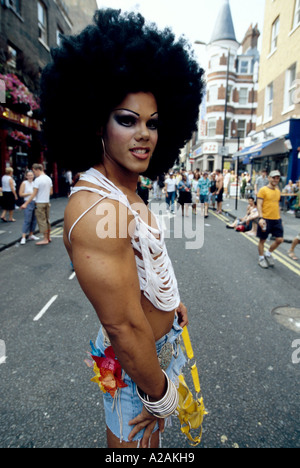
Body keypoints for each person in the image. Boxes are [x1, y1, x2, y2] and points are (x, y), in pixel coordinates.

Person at [40, 9, 204, 449]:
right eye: (127, 120)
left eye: (152, 122)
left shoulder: (125, 187)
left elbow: (146, 260)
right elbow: (125, 332)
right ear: (97, 123)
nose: (144, 134)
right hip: (136, 368)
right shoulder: (94, 209)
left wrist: (170, 301)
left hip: (149, 353)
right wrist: (161, 397)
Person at [256, 170, 284, 269]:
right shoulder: (263, 190)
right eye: (273, 177)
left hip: (276, 219)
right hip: (265, 219)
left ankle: (268, 254)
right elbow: (259, 204)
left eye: (277, 178)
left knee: (280, 239)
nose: (275, 180)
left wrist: (280, 219)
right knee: (262, 240)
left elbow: (277, 205)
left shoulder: (278, 190)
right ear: (269, 178)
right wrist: (260, 218)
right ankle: (261, 258)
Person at [21, 164, 53, 245]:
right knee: (47, 220)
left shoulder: (38, 180)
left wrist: (25, 203)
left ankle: (45, 239)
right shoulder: (48, 179)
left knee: (41, 221)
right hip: (47, 202)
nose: (34, 174)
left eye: (34, 171)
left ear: (38, 169)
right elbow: (51, 192)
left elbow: (33, 194)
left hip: (40, 203)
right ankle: (49, 237)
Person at [19, 170, 39, 244]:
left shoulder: (35, 183)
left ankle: (31, 234)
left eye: (31, 175)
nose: (30, 176)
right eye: (29, 175)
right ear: (26, 176)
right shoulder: (24, 183)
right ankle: (23, 237)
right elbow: (20, 194)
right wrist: (29, 193)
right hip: (28, 203)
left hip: (35, 203)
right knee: (27, 220)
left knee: (34, 220)